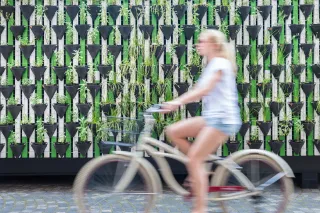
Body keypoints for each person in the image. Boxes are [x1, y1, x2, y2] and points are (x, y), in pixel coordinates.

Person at [161, 29, 242, 213]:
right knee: (173, 131)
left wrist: (177, 102)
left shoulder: (220, 63)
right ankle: (200, 169)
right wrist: (169, 103)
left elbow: (204, 90)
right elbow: (197, 90)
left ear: (213, 44)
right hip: (211, 118)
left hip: (222, 120)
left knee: (194, 160)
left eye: (202, 41)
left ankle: (200, 208)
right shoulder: (211, 64)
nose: (198, 44)